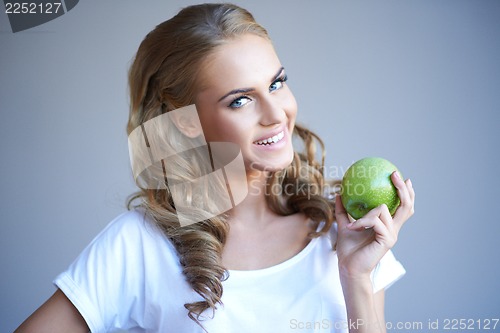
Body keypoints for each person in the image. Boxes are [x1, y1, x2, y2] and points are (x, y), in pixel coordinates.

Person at [15, 3, 415, 333]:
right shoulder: (138, 245)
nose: (277, 115)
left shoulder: (343, 230)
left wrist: (356, 275)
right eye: (240, 100)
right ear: (186, 121)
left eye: (276, 84)